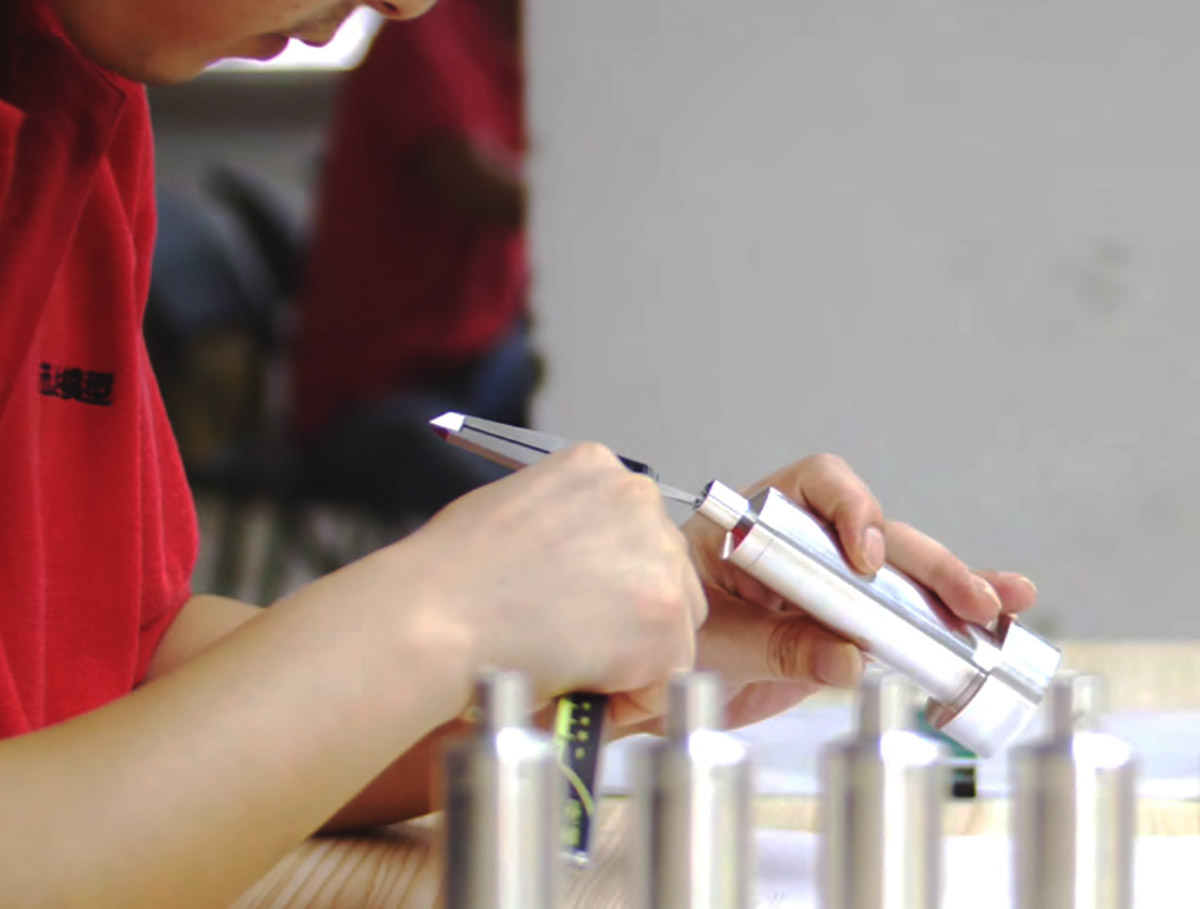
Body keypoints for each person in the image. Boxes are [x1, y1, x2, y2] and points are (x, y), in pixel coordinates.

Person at [0, 0, 1038, 906]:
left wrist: (585, 667)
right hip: (384, 394)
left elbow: (119, 674)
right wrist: (438, 617)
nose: (408, 3)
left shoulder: (79, 104)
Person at [292, 0, 535, 518]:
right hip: (381, 395)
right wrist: (603, 207)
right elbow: (463, 180)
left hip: (477, 363)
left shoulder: (510, 42)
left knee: (594, 445)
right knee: (531, 516)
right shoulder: (424, 27)